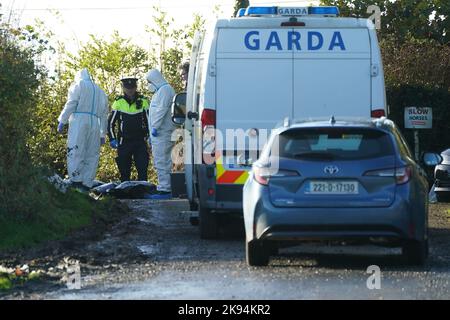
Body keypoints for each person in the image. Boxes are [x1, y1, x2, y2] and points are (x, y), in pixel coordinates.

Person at [57, 68, 109, 190]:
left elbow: (72, 103)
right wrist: (102, 134)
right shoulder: (100, 91)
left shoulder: (78, 85)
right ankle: (87, 183)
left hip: (79, 121)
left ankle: (76, 181)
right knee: (92, 153)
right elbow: (104, 114)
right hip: (95, 123)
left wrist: (62, 120)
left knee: (76, 149)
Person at [108, 77, 150, 182]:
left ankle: (143, 193)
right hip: (124, 142)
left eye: (132, 87)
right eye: (127, 87)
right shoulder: (118, 102)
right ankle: (125, 194)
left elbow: (150, 121)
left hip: (140, 141)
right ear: (123, 88)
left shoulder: (143, 101)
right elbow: (110, 123)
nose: (130, 90)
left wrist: (150, 136)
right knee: (124, 171)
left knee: (142, 169)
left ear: (136, 87)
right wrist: (112, 138)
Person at [146, 69, 176, 199]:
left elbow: (161, 111)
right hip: (158, 133)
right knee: (160, 160)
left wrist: (155, 127)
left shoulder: (165, 90)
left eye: (149, 82)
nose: (148, 85)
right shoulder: (159, 92)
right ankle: (163, 187)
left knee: (162, 160)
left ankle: (165, 189)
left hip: (162, 132)